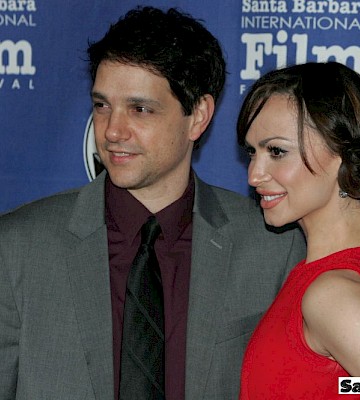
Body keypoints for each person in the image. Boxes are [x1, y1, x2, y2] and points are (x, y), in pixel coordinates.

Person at [0, 6, 306, 400]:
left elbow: (349, 384)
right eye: (101, 105)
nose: (112, 130)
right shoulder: (18, 247)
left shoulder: (273, 247)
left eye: (140, 109)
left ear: (198, 116)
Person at [237, 61, 360, 399]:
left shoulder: (334, 295)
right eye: (252, 153)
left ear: (340, 153)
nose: (254, 175)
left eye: (277, 151)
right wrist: (344, 387)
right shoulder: (352, 267)